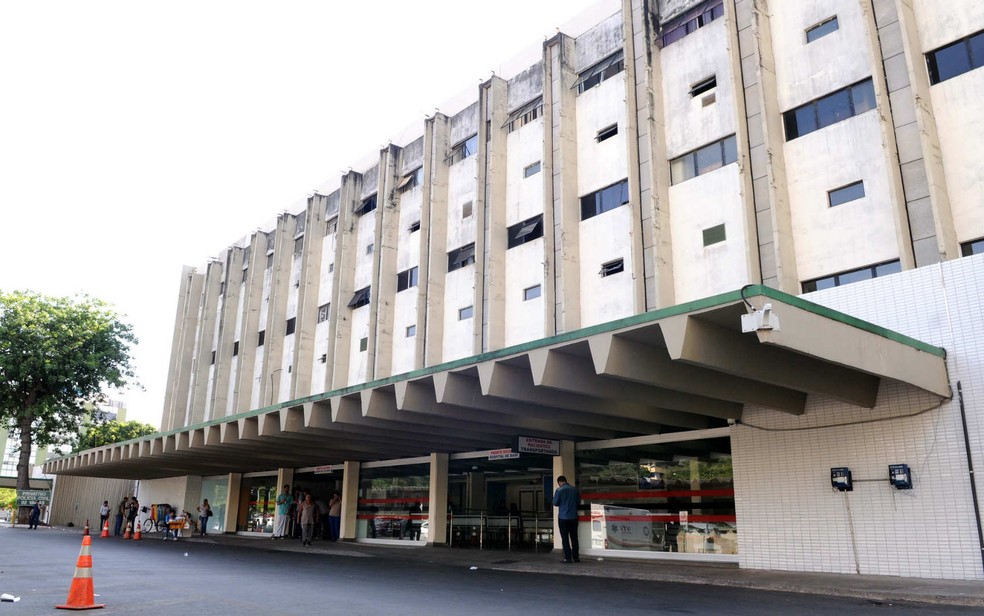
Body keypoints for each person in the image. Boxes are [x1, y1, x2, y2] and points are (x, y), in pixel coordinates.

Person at [553, 475, 580, 563]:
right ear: (565, 480)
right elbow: (578, 502)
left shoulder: (559, 490)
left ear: (559, 482)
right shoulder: (574, 490)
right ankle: (576, 557)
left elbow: (555, 503)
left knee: (565, 538)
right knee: (574, 537)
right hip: (573, 517)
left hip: (563, 517)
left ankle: (567, 558)